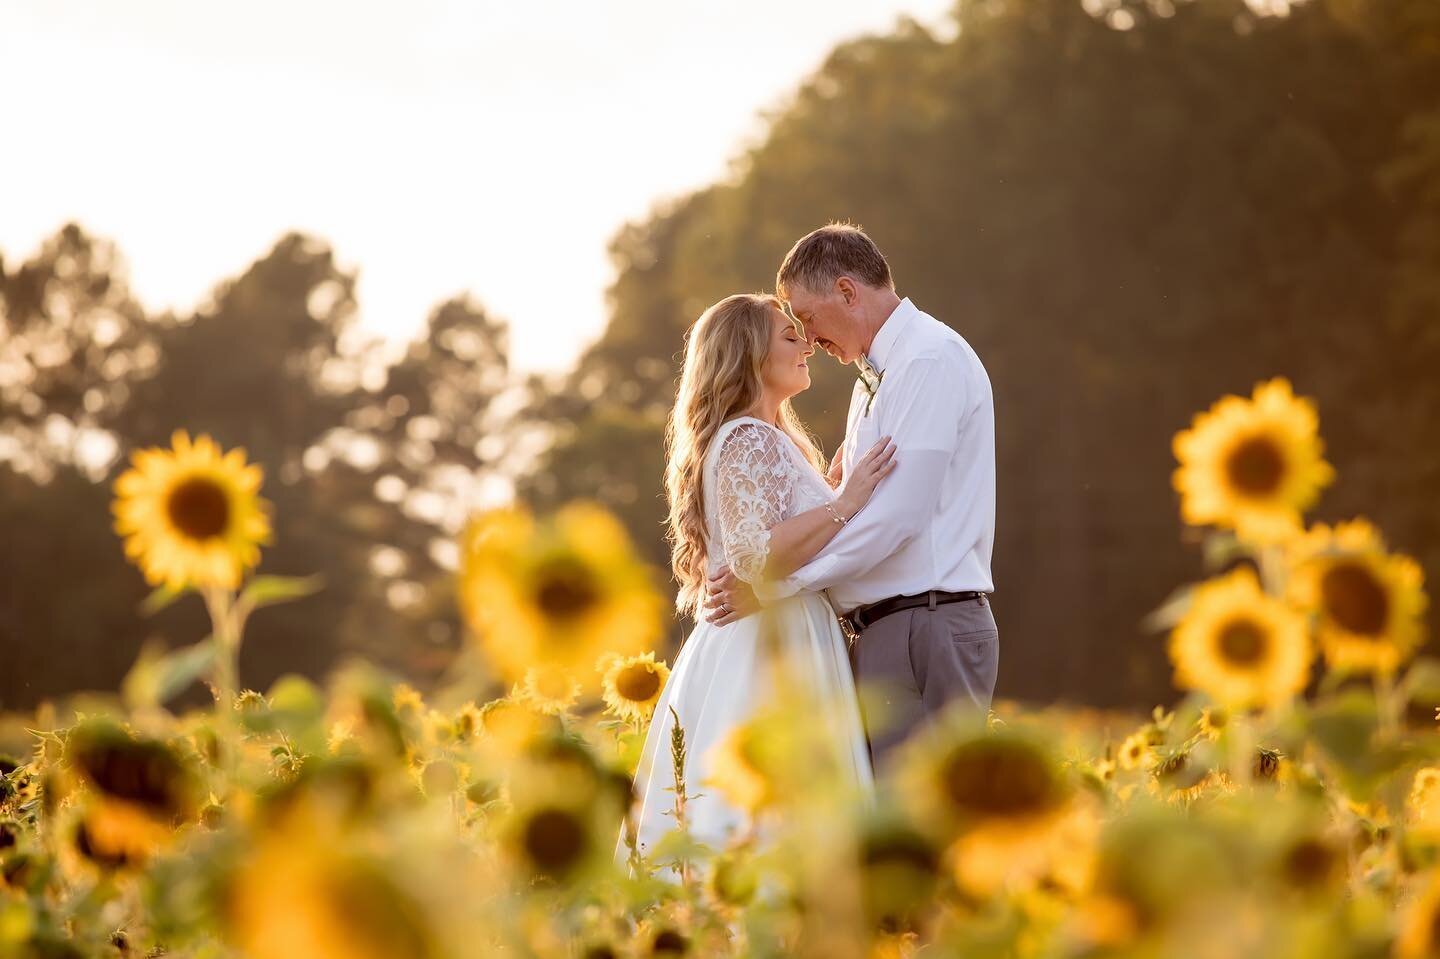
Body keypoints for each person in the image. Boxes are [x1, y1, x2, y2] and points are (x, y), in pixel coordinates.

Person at [703, 223, 999, 768]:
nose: (809, 339)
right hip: (889, 630)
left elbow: (898, 519)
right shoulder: (874, 379)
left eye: (807, 318)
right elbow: (855, 507)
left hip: (927, 624)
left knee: (917, 820)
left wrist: (779, 587)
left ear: (846, 292)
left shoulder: (927, 362)